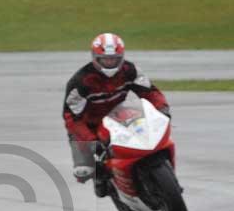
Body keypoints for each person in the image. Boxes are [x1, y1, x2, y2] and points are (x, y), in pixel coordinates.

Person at [64, 32, 170, 197]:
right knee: (84, 170)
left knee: (146, 135)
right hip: (89, 124)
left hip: (118, 114)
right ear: (95, 58)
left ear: (121, 57)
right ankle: (100, 178)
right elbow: (72, 118)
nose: (110, 62)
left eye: (114, 58)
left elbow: (150, 92)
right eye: (105, 59)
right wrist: (91, 141)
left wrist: (162, 108)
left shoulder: (130, 70)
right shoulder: (80, 82)